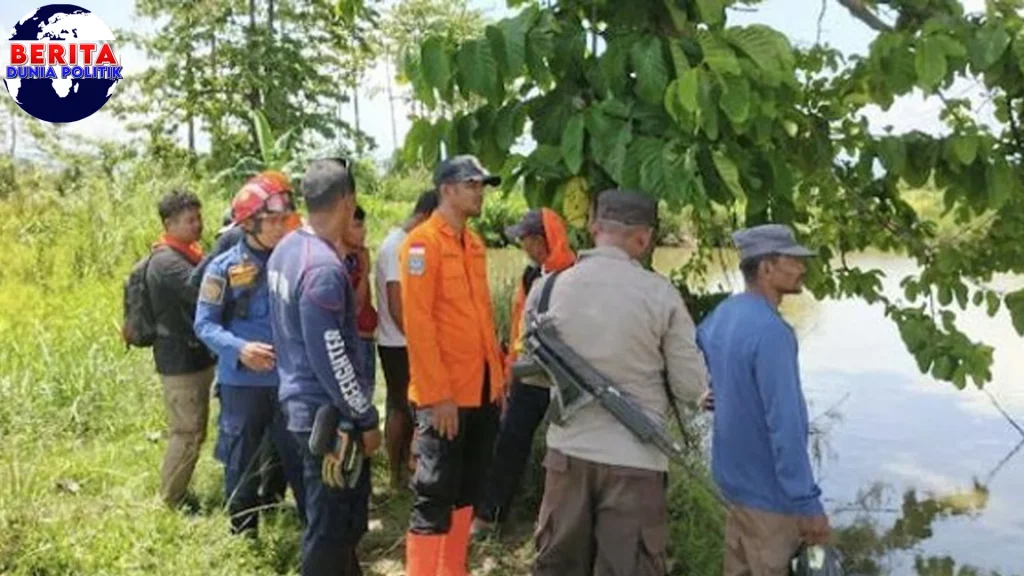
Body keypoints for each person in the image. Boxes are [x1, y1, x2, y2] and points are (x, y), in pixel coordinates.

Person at [524, 189, 709, 576]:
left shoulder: (548, 288)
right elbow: (692, 388)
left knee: (556, 567)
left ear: (594, 229)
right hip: (635, 462)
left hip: (566, 457)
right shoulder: (660, 295)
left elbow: (535, 370)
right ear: (643, 239)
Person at [267, 158, 381, 576]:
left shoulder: (287, 249)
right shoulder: (323, 270)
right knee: (330, 529)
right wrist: (365, 418)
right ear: (348, 202)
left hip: (296, 404)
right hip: (326, 417)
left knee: (336, 522)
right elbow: (331, 357)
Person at [696, 224, 830, 576]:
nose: (802, 268)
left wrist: (718, 392)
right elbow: (785, 424)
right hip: (771, 500)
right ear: (766, 268)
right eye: (794, 261)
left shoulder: (723, 316)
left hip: (733, 488)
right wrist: (807, 501)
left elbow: (704, 356)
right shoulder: (773, 333)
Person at [401, 155, 506, 576]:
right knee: (434, 493)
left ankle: (453, 569)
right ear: (446, 189)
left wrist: (498, 379)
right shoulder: (422, 244)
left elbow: (482, 318)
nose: (480, 192)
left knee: (468, 491)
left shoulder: (475, 244)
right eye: (472, 184)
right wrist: (437, 396)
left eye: (482, 185)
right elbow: (419, 324)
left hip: (481, 391)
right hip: (443, 397)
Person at [193, 171, 306, 535]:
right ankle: (243, 532)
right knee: (241, 458)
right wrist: (240, 349)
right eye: (270, 220)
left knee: (298, 455)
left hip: (289, 382)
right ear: (249, 223)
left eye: (282, 219)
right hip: (242, 383)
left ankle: (313, 530)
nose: (278, 227)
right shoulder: (222, 268)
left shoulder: (295, 261)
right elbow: (204, 325)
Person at [472, 207, 576, 534]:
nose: (522, 246)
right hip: (530, 374)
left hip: (567, 377)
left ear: (542, 240)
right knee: (511, 440)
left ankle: (560, 521)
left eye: (526, 239)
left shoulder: (578, 276)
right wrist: (508, 374)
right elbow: (518, 327)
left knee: (569, 449)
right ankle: (492, 513)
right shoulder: (530, 276)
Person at [147, 189, 217, 510]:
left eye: (199, 217)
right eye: (190, 220)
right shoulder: (166, 262)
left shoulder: (188, 253)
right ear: (169, 224)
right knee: (186, 431)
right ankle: (169, 501)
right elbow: (200, 290)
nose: (198, 224)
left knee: (195, 430)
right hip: (179, 361)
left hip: (193, 356)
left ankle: (176, 495)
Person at [375, 190, 439, 490]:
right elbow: (395, 303)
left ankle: (405, 471)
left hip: (402, 340)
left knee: (404, 405)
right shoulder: (396, 246)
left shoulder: (405, 244)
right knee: (402, 406)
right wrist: (419, 339)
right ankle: (397, 474)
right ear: (426, 215)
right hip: (399, 343)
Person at [339, 205, 379, 389]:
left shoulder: (358, 255)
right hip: (355, 342)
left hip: (366, 338)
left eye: (363, 226)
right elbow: (355, 307)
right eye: (356, 226)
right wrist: (363, 273)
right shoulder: (341, 262)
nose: (363, 232)